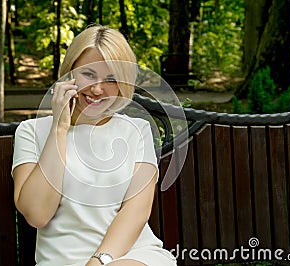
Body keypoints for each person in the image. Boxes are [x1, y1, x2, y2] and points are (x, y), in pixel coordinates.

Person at [12, 25, 177, 266]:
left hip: (128, 256)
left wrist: (99, 261)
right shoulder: (31, 132)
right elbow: (37, 214)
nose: (98, 89)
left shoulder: (137, 130)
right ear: (69, 73)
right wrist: (59, 128)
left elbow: (136, 211)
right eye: (88, 74)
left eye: (111, 79)